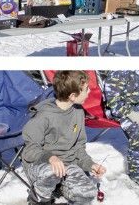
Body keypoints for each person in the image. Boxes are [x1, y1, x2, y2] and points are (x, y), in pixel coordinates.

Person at [22, 70, 106, 205]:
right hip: (41, 164)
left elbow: (78, 147)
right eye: (86, 89)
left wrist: (90, 165)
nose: (89, 92)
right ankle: (39, 198)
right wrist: (50, 157)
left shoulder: (78, 112)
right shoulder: (43, 115)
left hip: (67, 164)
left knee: (88, 193)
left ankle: (61, 187)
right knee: (51, 172)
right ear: (73, 96)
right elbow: (30, 150)